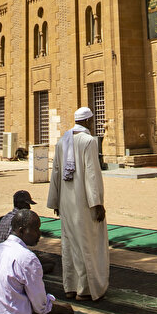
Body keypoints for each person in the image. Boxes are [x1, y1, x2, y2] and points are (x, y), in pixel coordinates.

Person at [47, 106, 108, 301]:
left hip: (66, 202)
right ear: (89, 121)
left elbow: (56, 172)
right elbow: (91, 173)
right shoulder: (88, 141)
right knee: (87, 243)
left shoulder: (62, 141)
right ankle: (86, 289)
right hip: (84, 203)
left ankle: (70, 287)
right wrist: (97, 203)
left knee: (69, 243)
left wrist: (55, 200)